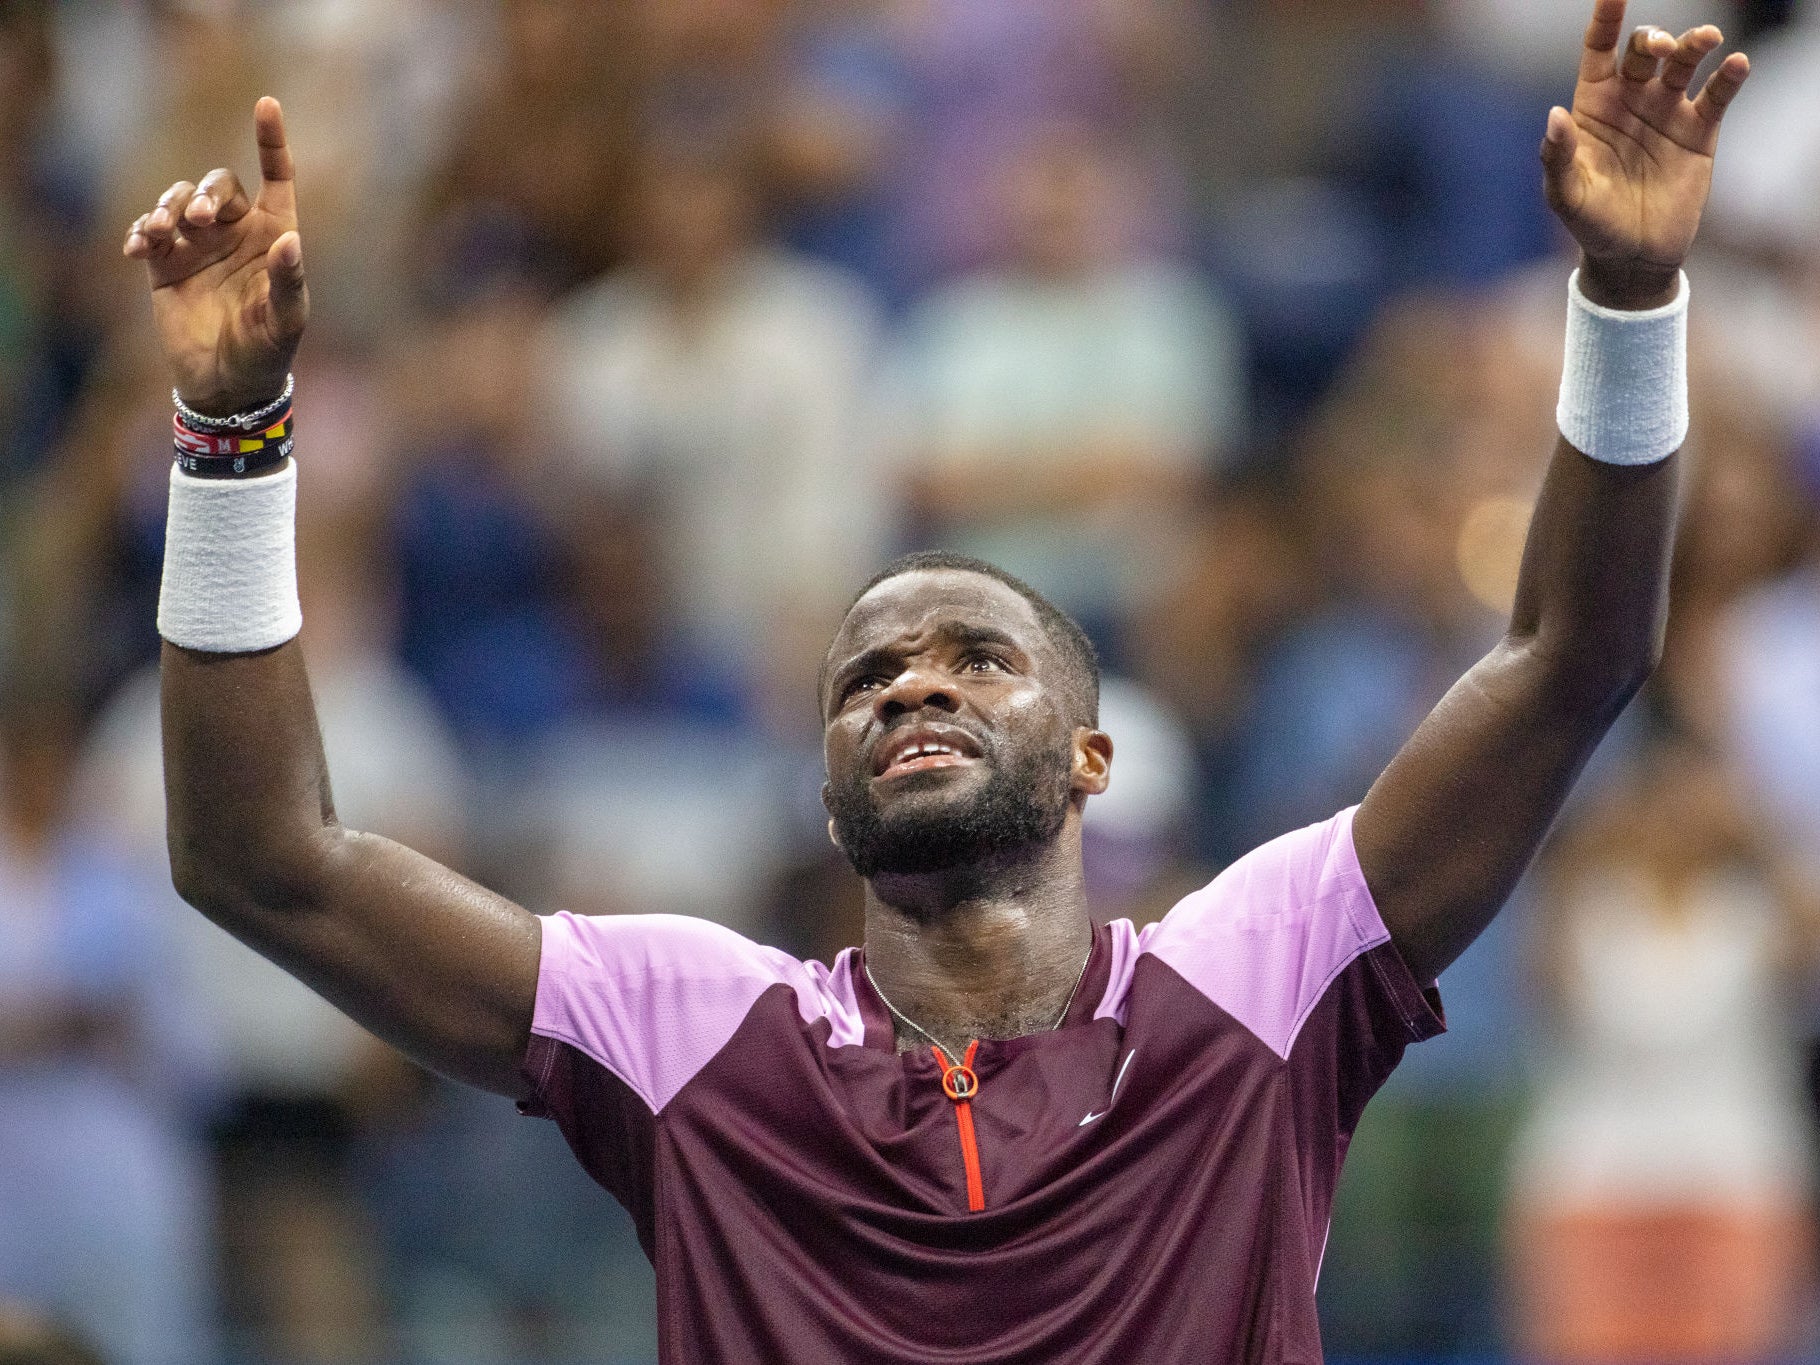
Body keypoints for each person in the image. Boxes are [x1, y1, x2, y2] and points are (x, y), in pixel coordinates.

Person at [121, 2, 1749, 1358]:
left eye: (979, 657)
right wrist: (232, 433)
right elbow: (265, 858)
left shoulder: (1255, 978)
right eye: (869, 677)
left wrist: (1624, 295)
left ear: (1097, 758)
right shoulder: (695, 1029)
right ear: (831, 791)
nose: (912, 688)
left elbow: (1566, 661)